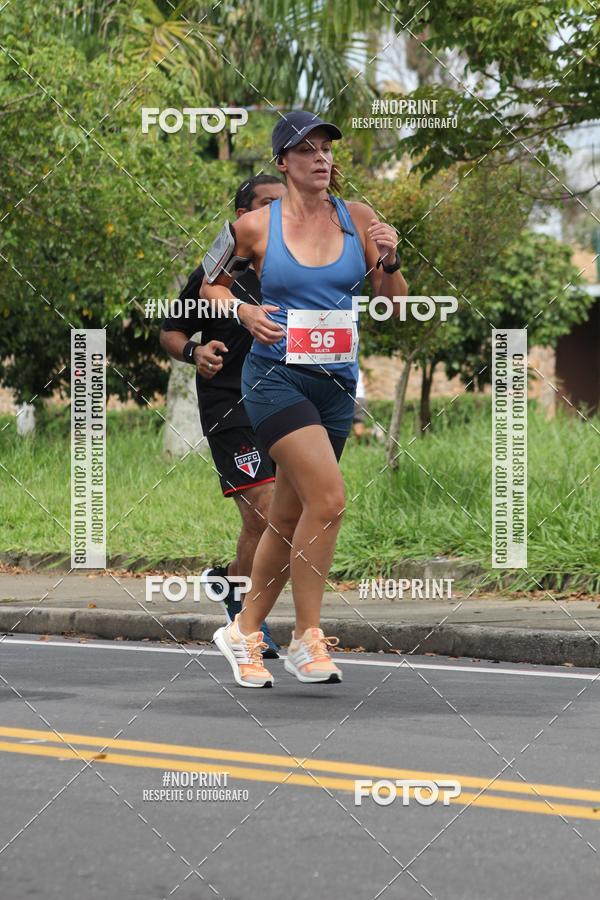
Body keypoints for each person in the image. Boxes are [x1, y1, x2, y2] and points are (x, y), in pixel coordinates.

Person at [203, 111, 407, 688]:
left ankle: (243, 632)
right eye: (306, 150)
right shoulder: (253, 227)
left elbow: (393, 304)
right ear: (282, 162)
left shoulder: (358, 218)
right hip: (275, 379)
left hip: (336, 385)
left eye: (326, 149)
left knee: (289, 517)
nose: (320, 158)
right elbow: (210, 284)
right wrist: (243, 310)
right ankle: (306, 637)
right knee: (331, 499)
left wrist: (390, 261)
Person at [160, 174, 286, 658]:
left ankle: (230, 584)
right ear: (242, 216)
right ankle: (249, 620)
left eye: (283, 204)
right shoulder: (217, 271)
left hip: (286, 402)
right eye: (266, 204)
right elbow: (171, 332)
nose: (276, 213)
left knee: (280, 520)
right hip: (230, 404)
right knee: (264, 510)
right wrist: (194, 351)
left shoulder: (296, 266)